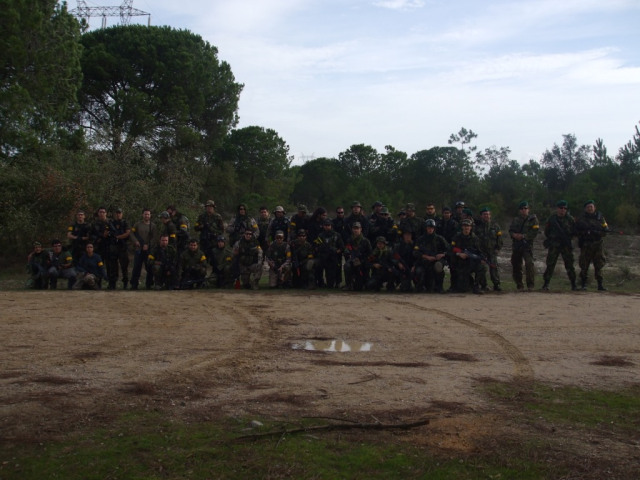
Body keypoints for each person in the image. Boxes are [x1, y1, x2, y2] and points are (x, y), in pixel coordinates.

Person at [541, 200, 578, 291]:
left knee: (569, 264)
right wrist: (553, 238)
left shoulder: (570, 219)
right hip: (554, 244)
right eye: (561, 208)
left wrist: (569, 239)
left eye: (565, 208)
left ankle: (573, 284)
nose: (563, 210)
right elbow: (547, 231)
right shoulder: (552, 218)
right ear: (557, 209)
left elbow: (575, 232)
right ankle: (546, 284)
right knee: (550, 264)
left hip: (566, 245)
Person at [575, 200, 609, 291]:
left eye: (591, 207)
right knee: (584, 265)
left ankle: (600, 284)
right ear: (585, 209)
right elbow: (576, 231)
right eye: (588, 207)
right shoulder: (581, 219)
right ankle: (583, 284)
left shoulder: (600, 218)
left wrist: (598, 233)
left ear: (594, 208)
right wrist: (586, 233)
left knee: (599, 264)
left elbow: (605, 230)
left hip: (598, 244)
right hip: (586, 244)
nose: (590, 208)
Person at [509, 201, 540, 291]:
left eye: (525, 208)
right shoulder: (516, 220)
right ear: (519, 210)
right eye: (522, 209)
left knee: (529, 264)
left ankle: (530, 285)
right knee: (516, 265)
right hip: (517, 246)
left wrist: (523, 236)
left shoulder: (533, 219)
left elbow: (534, 232)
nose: (523, 210)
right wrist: (514, 235)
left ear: (528, 209)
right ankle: (519, 285)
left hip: (527, 245)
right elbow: (510, 230)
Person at [450, 219, 486, 294]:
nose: (466, 228)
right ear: (462, 227)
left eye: (468, 226)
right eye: (465, 226)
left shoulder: (475, 238)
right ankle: (468, 283)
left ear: (471, 227)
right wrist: (459, 254)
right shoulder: (457, 237)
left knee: (482, 267)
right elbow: (451, 249)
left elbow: (479, 251)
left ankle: (476, 286)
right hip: (460, 263)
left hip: (471, 262)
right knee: (462, 289)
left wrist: (482, 259)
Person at [413, 219, 449, 293]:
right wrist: (426, 257)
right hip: (424, 261)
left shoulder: (440, 239)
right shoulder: (421, 239)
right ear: (426, 228)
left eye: (432, 227)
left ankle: (439, 287)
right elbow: (415, 252)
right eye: (429, 227)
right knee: (419, 271)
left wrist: (443, 254)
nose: (430, 229)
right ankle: (420, 286)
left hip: (437, 260)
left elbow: (449, 249)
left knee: (438, 265)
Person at [475, 207, 504, 291]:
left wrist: (498, 248)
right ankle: (484, 285)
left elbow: (499, 238)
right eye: (484, 214)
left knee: (494, 268)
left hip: (492, 251)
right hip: (482, 252)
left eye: (488, 214)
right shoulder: (477, 227)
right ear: (481, 216)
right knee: (482, 268)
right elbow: (475, 240)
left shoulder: (495, 226)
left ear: (490, 215)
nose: (486, 216)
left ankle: (496, 285)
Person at [130, 208, 157, 290]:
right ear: (142, 215)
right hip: (138, 249)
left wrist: (148, 245)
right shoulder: (137, 224)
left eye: (148, 214)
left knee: (149, 267)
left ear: (150, 215)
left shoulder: (153, 226)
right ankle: (134, 285)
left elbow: (154, 237)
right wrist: (136, 241)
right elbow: (132, 233)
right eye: (145, 214)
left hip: (148, 250)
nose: (147, 216)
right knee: (136, 267)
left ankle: (149, 285)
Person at [313, 219, 344, 288]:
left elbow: (341, 248)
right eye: (325, 225)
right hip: (323, 257)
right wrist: (321, 249)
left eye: (328, 225)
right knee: (316, 266)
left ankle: (337, 282)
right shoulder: (320, 235)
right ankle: (319, 282)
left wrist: (336, 251)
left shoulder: (337, 235)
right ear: (323, 226)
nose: (327, 227)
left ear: (331, 226)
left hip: (333, 258)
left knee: (330, 284)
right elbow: (316, 247)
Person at [107, 207, 131, 290]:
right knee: (113, 266)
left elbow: (128, 233)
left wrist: (119, 237)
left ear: (122, 214)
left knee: (124, 266)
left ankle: (125, 283)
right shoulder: (111, 223)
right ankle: (112, 284)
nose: (118, 214)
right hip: (113, 246)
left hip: (122, 246)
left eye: (119, 213)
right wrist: (112, 235)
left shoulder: (125, 222)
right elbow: (107, 233)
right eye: (117, 213)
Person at [343, 222, 372, 291]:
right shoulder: (350, 240)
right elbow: (347, 249)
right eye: (354, 228)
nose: (356, 230)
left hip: (363, 264)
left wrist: (362, 261)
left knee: (359, 287)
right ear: (352, 229)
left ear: (360, 229)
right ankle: (349, 284)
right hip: (353, 261)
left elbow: (370, 254)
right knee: (347, 266)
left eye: (357, 228)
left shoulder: (366, 241)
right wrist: (348, 254)